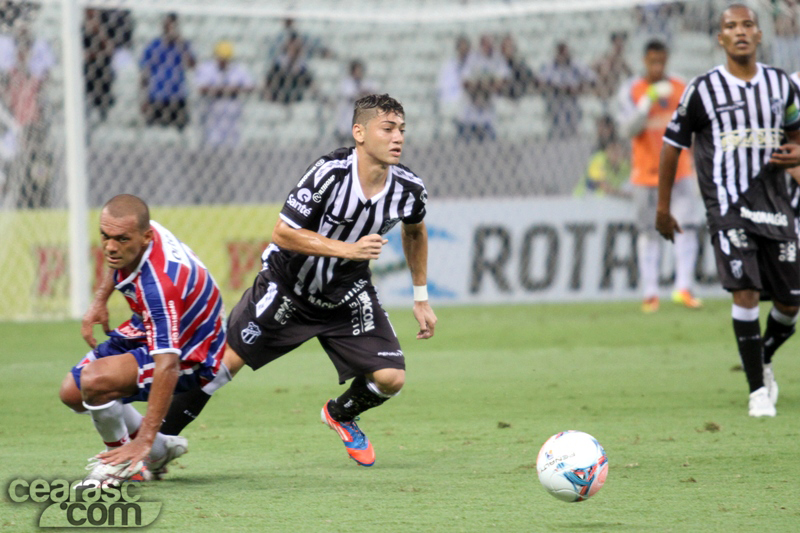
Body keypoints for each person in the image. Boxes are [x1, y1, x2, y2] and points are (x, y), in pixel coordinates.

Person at [167, 94, 437, 468]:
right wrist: (348, 250)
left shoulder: (409, 188)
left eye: (402, 130)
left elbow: (415, 231)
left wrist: (420, 296)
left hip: (347, 296)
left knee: (391, 378)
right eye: (387, 129)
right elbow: (282, 233)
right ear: (359, 132)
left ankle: (341, 414)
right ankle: (154, 445)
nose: (398, 138)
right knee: (218, 369)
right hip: (288, 289)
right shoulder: (330, 173)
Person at [657, 4, 800, 417]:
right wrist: (663, 209)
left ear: (759, 35)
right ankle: (757, 392)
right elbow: (672, 146)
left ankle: (764, 356)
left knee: (791, 304)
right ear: (720, 39)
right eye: (730, 27)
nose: (739, 32)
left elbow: (797, 136)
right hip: (728, 207)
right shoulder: (702, 89)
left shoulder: (781, 87)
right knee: (746, 291)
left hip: (776, 207)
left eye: (747, 25)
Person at [59, 194, 231, 486]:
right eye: (105, 236)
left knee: (95, 382)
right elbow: (119, 258)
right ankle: (160, 450)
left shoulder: (160, 286)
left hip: (193, 351)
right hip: (150, 325)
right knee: (73, 393)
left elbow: (168, 365)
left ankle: (125, 465)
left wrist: (143, 440)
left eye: (121, 239)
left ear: (146, 237)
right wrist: (100, 299)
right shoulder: (141, 234)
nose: (111, 246)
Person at [618, 39, 702, 313]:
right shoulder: (632, 90)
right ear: (644, 61)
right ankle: (650, 292)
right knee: (649, 233)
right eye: (652, 61)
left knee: (686, 227)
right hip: (645, 175)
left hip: (679, 172)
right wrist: (646, 103)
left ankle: (683, 288)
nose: (657, 66)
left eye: (661, 61)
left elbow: (697, 125)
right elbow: (628, 130)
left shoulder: (681, 87)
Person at [139, 13, 195, 130]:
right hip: (157, 94)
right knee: (155, 128)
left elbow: (192, 64)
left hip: (177, 95)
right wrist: (143, 97)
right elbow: (145, 72)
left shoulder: (182, 45)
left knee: (180, 127)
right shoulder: (154, 45)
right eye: (167, 25)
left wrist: (179, 43)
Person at [196, 40, 255, 146]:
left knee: (232, 138)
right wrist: (223, 89)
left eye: (226, 59)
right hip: (214, 106)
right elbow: (201, 88)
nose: (223, 61)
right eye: (221, 58)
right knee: (213, 138)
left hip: (232, 106)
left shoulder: (237, 69)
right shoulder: (208, 68)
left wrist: (231, 89)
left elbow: (250, 86)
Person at [538, 42, 596, 139]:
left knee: (571, 106)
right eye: (560, 53)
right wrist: (556, 87)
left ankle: (572, 131)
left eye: (564, 53)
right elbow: (540, 81)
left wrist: (580, 88)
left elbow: (592, 79)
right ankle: (558, 132)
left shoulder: (576, 65)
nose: (562, 56)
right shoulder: (549, 66)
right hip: (556, 96)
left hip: (573, 96)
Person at [458, 34, 510, 142]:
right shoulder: (473, 58)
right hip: (474, 97)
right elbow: (466, 81)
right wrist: (483, 84)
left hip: (491, 97)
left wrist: (485, 85)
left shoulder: (498, 58)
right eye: (485, 44)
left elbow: (502, 80)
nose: (488, 47)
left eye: (490, 44)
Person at [574, 115, 630, 198]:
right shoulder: (599, 158)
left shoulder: (624, 166)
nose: (616, 154)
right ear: (607, 151)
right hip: (585, 198)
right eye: (613, 150)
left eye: (618, 150)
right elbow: (602, 185)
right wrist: (625, 195)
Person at [334, 60, 379, 146]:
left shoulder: (367, 82)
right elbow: (352, 95)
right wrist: (363, 93)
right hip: (347, 117)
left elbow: (373, 93)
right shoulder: (346, 83)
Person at [263, 31, 315, 105]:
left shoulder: (302, 67)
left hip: (295, 100)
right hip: (277, 98)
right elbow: (268, 81)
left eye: (298, 47)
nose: (295, 49)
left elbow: (310, 83)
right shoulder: (278, 63)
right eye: (293, 46)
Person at [592, 31, 633, 104]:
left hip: (613, 98)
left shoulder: (622, 62)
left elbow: (632, 76)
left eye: (622, 43)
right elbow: (592, 69)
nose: (620, 46)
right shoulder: (604, 59)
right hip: (600, 96)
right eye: (617, 44)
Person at [436, 35, 471, 118]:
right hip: (451, 102)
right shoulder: (448, 65)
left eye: (465, 48)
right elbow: (442, 86)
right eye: (461, 47)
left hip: (468, 104)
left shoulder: (473, 65)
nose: (463, 50)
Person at [499, 34, 535, 100]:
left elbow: (529, 75)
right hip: (501, 98)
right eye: (507, 46)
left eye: (511, 46)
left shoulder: (519, 63)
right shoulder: (497, 63)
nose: (509, 49)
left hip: (519, 96)